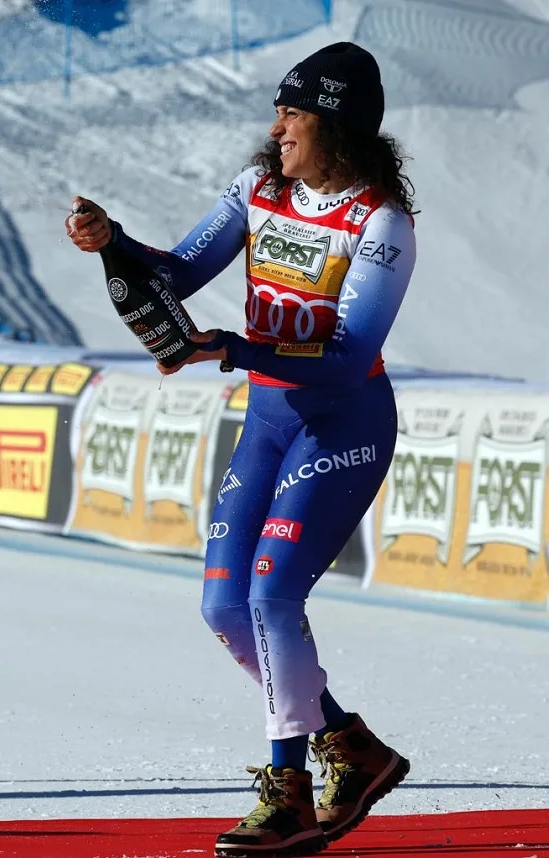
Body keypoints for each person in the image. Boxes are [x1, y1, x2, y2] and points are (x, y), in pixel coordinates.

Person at [66, 42, 416, 858]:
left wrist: (233, 349)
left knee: (269, 599)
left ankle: (288, 791)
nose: (278, 125)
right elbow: (177, 272)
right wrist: (113, 242)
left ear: (335, 125)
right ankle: (354, 749)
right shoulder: (258, 187)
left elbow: (343, 354)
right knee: (223, 609)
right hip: (268, 419)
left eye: (292, 112)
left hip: (343, 423)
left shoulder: (380, 222)